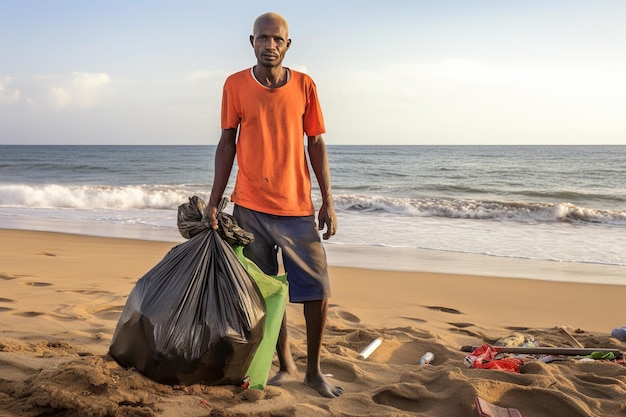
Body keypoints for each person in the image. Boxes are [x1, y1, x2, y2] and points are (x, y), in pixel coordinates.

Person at [203, 12, 343, 398]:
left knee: (316, 290)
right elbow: (226, 143)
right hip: (249, 208)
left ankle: (313, 371)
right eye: (263, 39)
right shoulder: (234, 85)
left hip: (297, 209)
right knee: (265, 290)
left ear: (287, 44)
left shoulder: (304, 86)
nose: (270, 46)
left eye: (277, 39)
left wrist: (327, 202)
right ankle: (285, 363)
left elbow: (315, 143)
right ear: (252, 42)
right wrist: (214, 200)